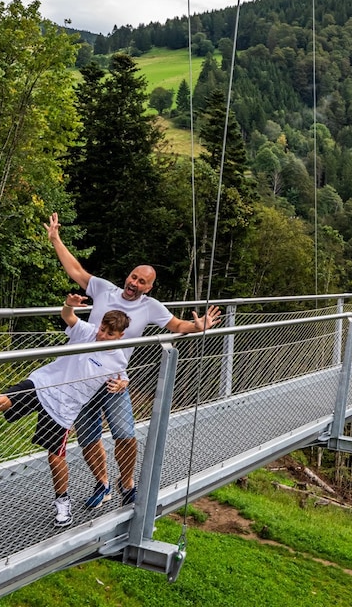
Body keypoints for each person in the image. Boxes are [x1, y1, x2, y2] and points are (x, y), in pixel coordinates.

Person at [46, 213, 221, 509]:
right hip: (83, 377)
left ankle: (126, 484)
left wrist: (198, 326)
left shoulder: (149, 307)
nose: (134, 283)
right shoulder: (104, 289)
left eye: (142, 282)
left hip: (115, 380)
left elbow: (177, 326)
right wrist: (55, 239)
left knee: (125, 435)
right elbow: (76, 270)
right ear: (127, 277)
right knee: (88, 438)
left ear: (148, 287)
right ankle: (102, 484)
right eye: (133, 277)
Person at [0, 296, 131, 528]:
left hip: (64, 408)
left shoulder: (118, 360)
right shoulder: (86, 332)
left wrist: (121, 385)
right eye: (102, 329)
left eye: (109, 334)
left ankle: (62, 502)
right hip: (42, 384)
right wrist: (69, 304)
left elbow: (123, 379)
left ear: (120, 336)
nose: (102, 335)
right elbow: (68, 316)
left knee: (55, 456)